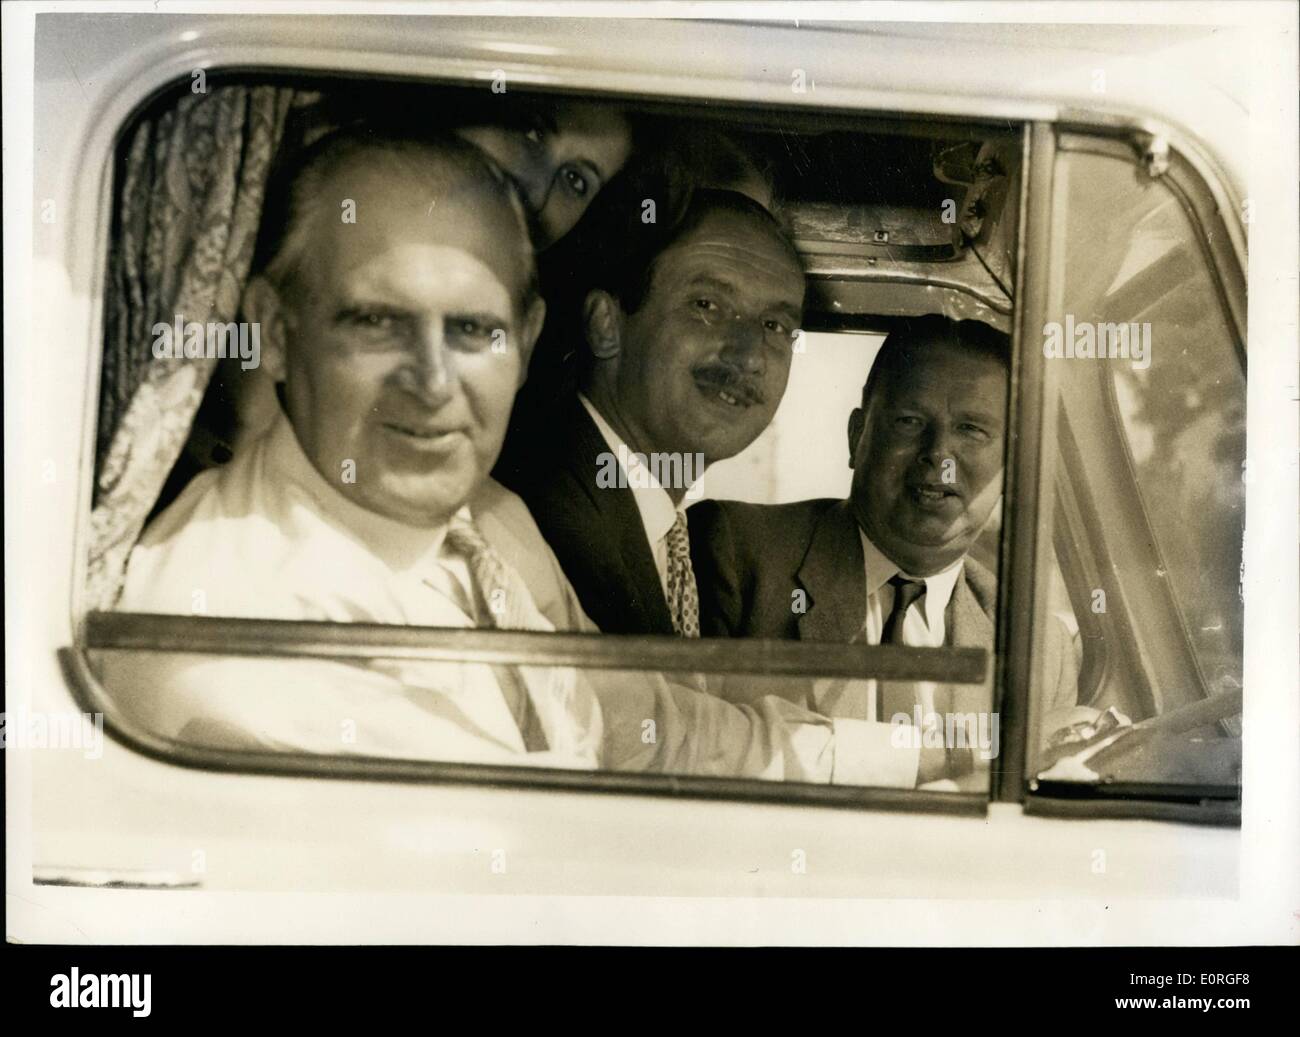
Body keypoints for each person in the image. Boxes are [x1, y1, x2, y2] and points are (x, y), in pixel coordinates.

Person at [110, 127, 950, 787]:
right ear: (275, 331)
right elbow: (536, 860)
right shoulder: (229, 623)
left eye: (476, 330)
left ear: (529, 339)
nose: (434, 382)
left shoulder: (489, 523)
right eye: (375, 321)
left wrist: (916, 759)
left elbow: (635, 722)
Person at [689, 316, 1079, 751]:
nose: (938, 456)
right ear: (857, 437)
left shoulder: (1040, 648)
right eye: (910, 422)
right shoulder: (736, 556)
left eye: (971, 430)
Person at [503, 189, 805, 637]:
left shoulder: (670, 531)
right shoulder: (548, 516)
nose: (750, 356)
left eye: (774, 326)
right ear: (606, 324)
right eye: (707, 306)